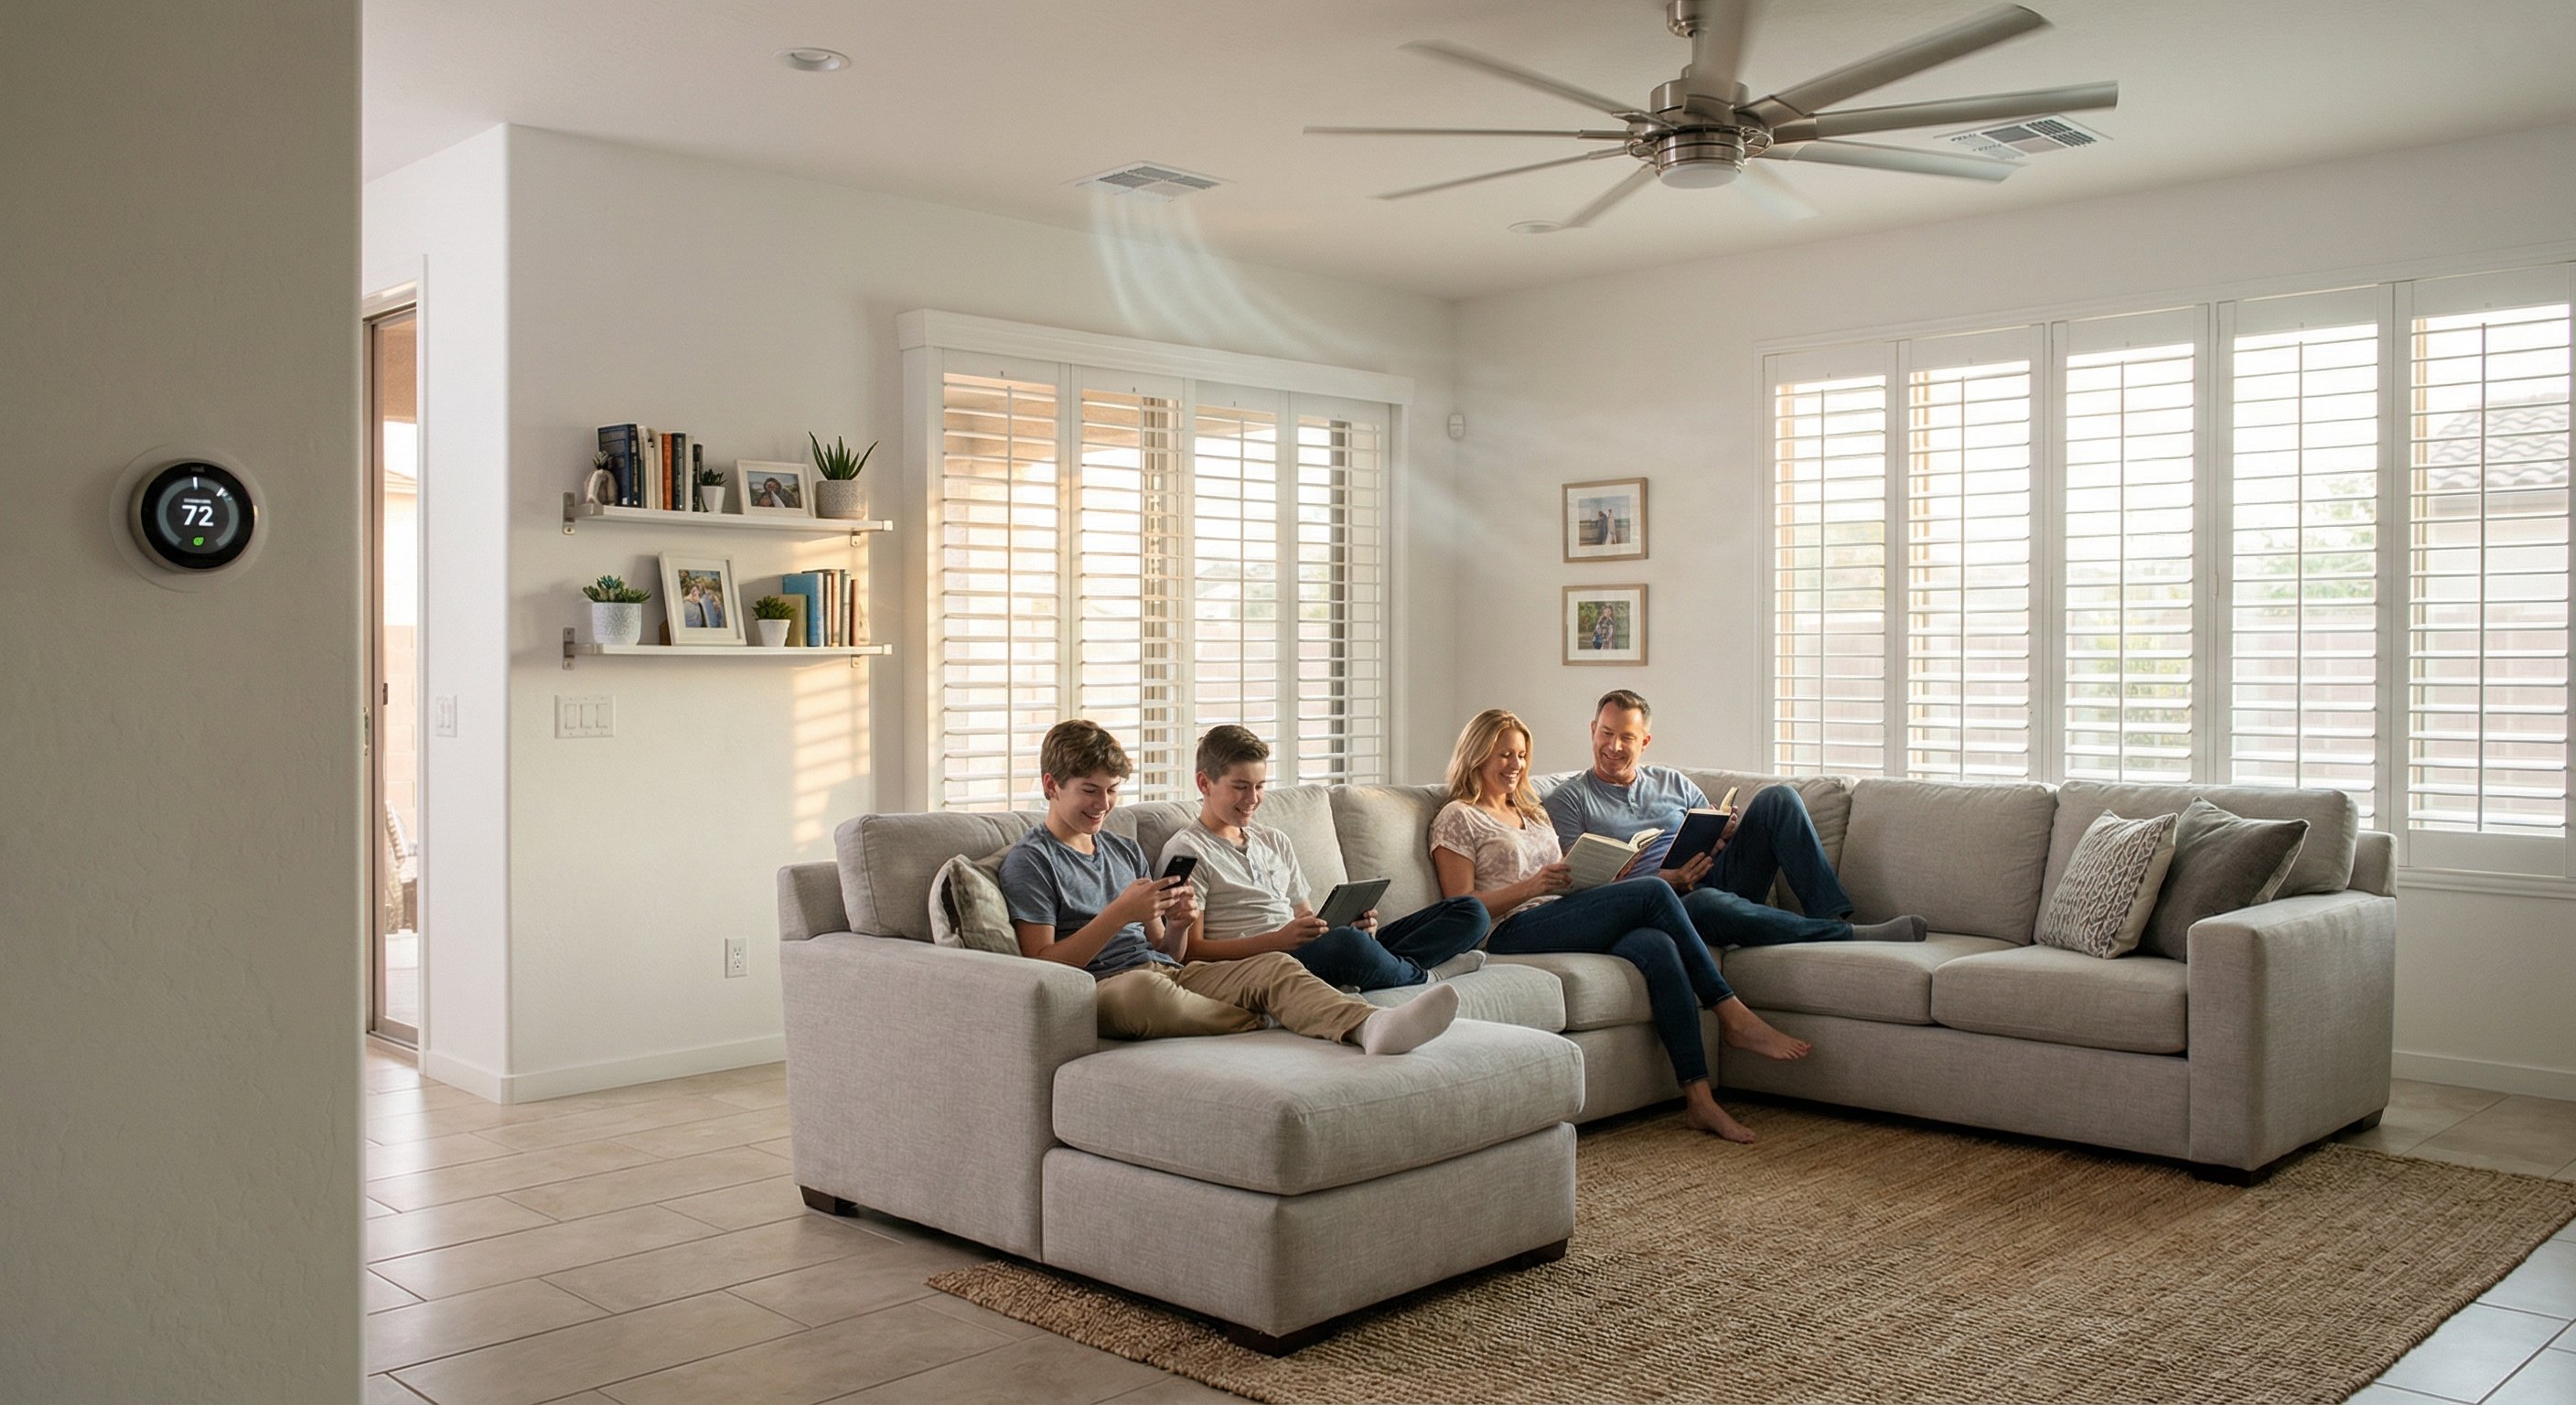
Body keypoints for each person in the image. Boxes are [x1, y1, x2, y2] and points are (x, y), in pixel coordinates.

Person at [1431, 708, 1807, 1143]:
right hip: (1511, 928)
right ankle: (1732, 1013)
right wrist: (1532, 885)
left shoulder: (1530, 810)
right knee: (1655, 891)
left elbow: (1561, 874)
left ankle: (1699, 1101)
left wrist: (1594, 874)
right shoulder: (1459, 816)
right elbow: (1460, 907)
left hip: (1561, 911)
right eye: (1503, 755)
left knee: (1657, 945)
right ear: (1476, 756)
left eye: (1520, 755)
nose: (1515, 765)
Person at [998, 719, 1460, 1053]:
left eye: (1113, 790)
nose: (1104, 804)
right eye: (1089, 790)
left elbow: (1168, 951)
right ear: (1051, 786)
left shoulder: (1122, 850)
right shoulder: (1031, 861)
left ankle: (1371, 1028)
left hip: (1169, 972)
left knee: (1275, 968)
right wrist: (1120, 913)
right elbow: (1042, 964)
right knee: (1143, 993)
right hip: (1105, 986)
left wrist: (1177, 925)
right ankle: (1266, 1016)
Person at [1545, 690, 1930, 950]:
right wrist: (1664, 880)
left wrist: (1723, 832)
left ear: (1644, 742)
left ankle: (1828, 912)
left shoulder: (1672, 782)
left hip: (1714, 876)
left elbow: (1713, 831)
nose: (1613, 746)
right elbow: (1580, 887)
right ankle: (1847, 936)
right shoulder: (1568, 800)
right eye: (1606, 733)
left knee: (1778, 799)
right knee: (1709, 903)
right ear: (1593, 730)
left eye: (1626, 737)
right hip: (1662, 902)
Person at [1158, 724, 1489, 992]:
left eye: (1260, 786)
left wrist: (1349, 924)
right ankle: (1427, 976)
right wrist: (1277, 941)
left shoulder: (1273, 840)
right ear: (1205, 783)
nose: (1253, 799)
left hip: (1309, 949)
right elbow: (1191, 952)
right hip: (1265, 963)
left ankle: (1378, 965)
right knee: (1347, 945)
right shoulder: (1189, 851)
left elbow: (1306, 918)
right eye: (1241, 787)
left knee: (1470, 912)